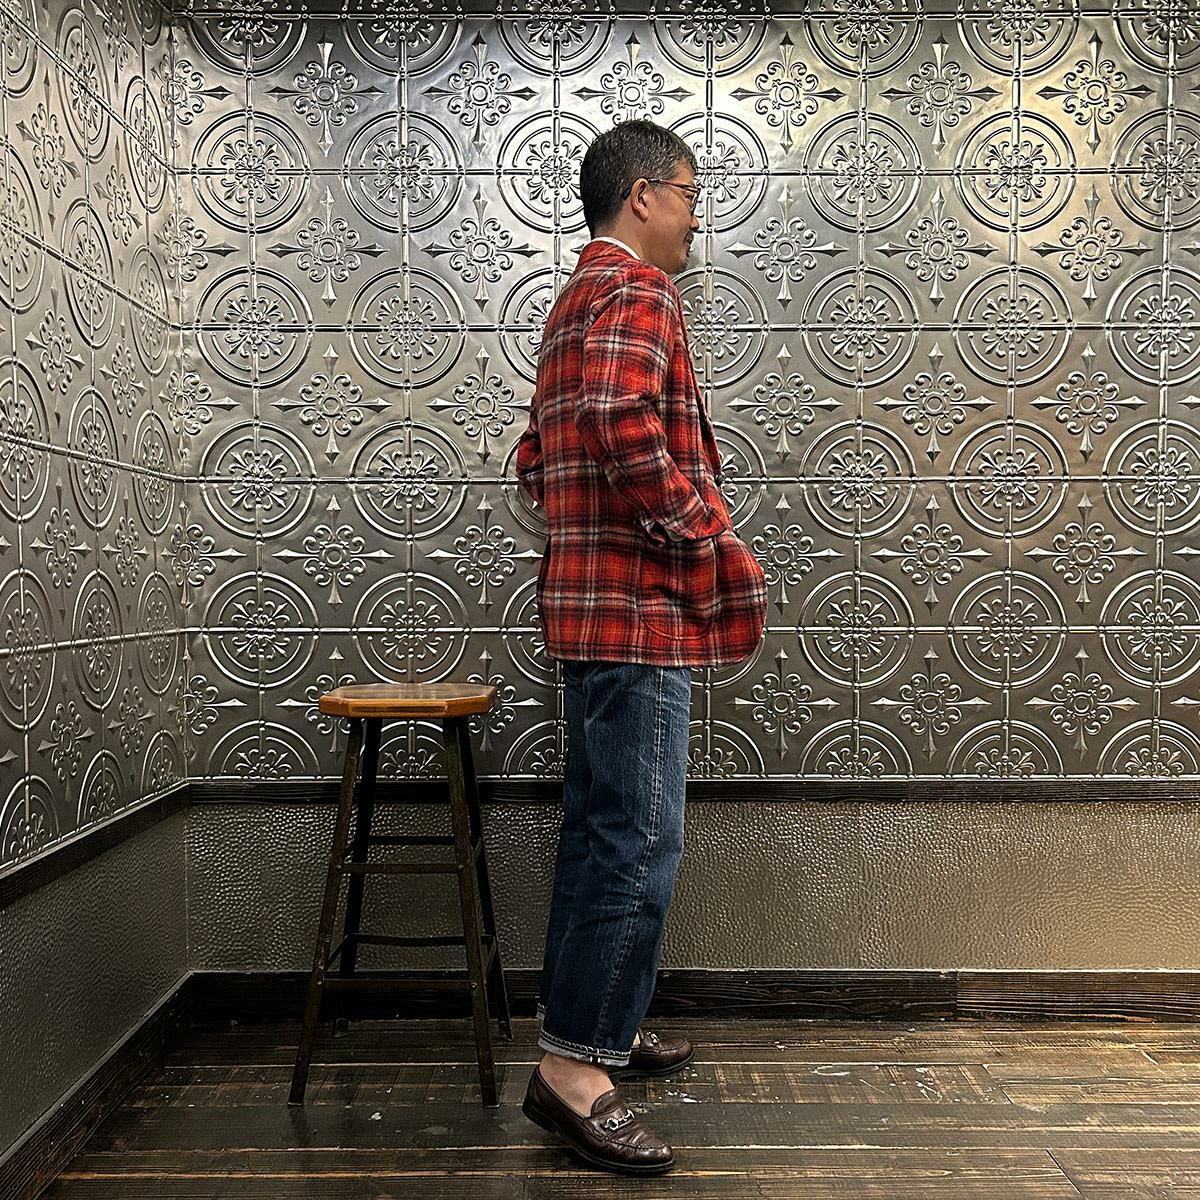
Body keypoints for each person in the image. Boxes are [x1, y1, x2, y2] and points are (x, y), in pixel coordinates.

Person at [514, 119, 768, 1176]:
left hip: (584, 613)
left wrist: (585, 537)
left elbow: (533, 463)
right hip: (637, 616)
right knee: (638, 842)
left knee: (599, 834)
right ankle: (574, 1074)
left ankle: (598, 1024)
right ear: (644, 196)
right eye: (691, 194)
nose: (697, 217)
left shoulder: (573, 300)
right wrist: (706, 537)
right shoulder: (641, 291)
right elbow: (624, 423)